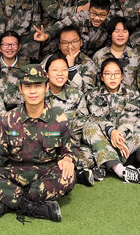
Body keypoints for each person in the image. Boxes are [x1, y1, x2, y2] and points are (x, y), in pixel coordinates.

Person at [0, 64, 76, 222]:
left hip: (46, 174)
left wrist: (68, 159)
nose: (33, 91)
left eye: (38, 86)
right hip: (14, 174)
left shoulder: (60, 119)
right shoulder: (9, 118)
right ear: (21, 89)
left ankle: (9, 201)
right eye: (28, 86)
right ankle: (36, 207)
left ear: (46, 87)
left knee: (68, 176)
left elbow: (70, 150)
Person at [82, 58, 140, 184]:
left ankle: (106, 164)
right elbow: (97, 117)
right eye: (108, 74)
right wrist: (111, 131)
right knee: (89, 127)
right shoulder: (93, 95)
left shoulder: (132, 93)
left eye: (116, 74)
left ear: (122, 76)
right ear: (101, 77)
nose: (112, 77)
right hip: (101, 139)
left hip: (124, 141)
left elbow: (130, 117)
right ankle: (120, 170)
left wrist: (120, 134)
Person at [43, 53, 97, 185]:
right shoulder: (39, 94)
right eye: (55, 70)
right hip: (44, 146)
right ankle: (75, 174)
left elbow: (82, 124)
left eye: (64, 70)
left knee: (89, 155)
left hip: (69, 145)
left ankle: (63, 170)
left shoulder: (76, 95)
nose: (60, 74)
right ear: (46, 73)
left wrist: (67, 149)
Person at [92, 17, 140, 88]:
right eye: (116, 31)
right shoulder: (99, 56)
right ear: (110, 34)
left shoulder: (136, 57)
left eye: (124, 31)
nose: (120, 35)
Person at [0, 31, 25, 110]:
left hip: (20, 112)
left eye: (14, 44)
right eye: (5, 45)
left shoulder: (27, 68)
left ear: (19, 47)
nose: (10, 48)